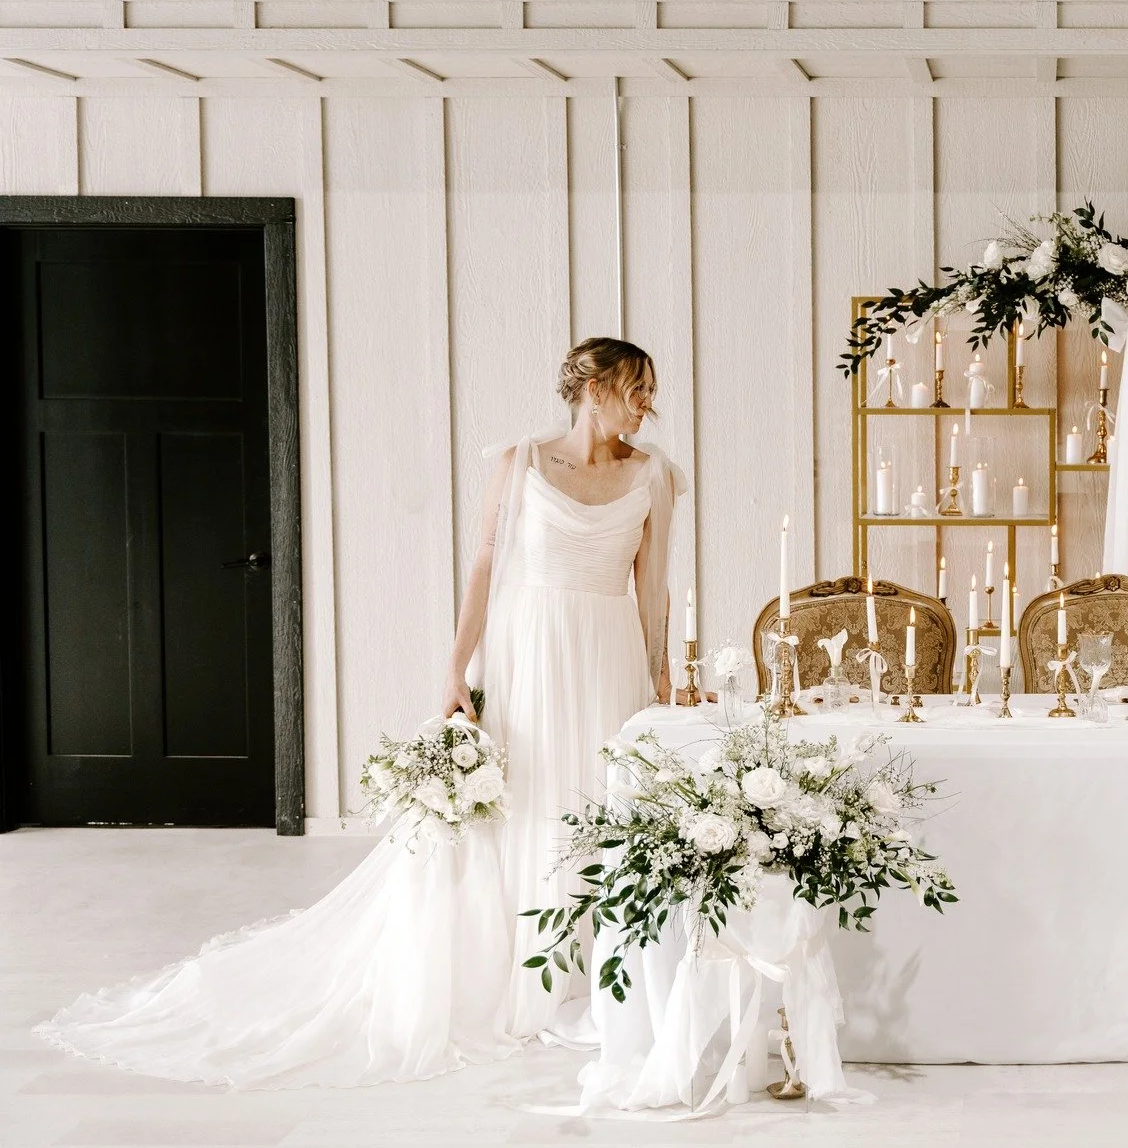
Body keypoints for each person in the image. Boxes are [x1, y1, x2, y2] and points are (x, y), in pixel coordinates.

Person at [38, 338, 683, 1086]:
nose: (647, 404)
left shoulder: (653, 474)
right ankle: (528, 973)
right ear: (594, 386)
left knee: (597, 803)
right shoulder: (522, 463)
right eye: (636, 387)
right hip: (531, 651)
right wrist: (454, 668)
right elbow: (483, 565)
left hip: (609, 652)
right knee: (531, 802)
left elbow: (654, 583)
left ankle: (602, 976)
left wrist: (661, 680)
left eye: (650, 391)